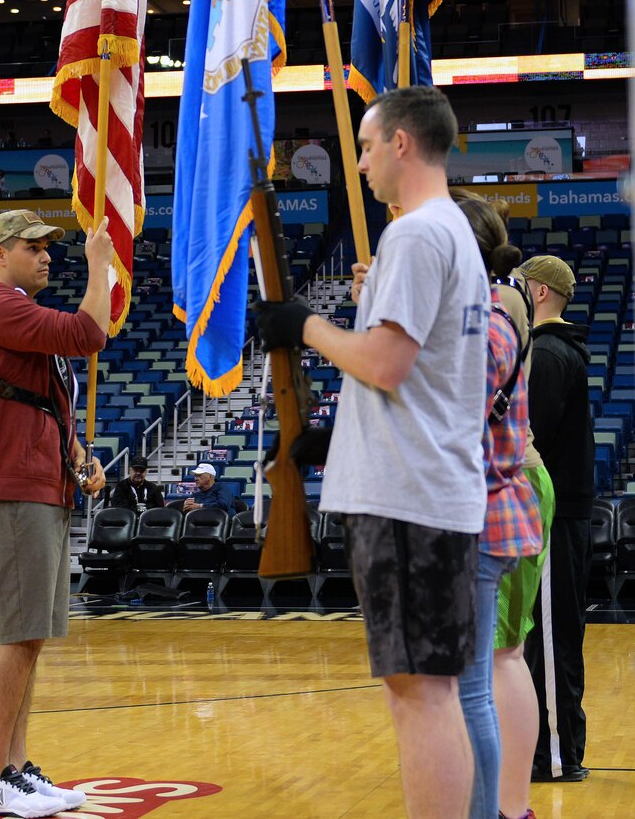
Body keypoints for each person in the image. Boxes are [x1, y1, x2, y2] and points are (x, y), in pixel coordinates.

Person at [255, 86, 487, 819]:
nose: (356, 163)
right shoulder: (448, 231)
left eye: (363, 145)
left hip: (408, 494)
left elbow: (386, 362)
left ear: (402, 143)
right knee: (427, 687)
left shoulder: (417, 234)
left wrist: (304, 326)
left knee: (419, 690)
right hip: (426, 488)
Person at [0, 208, 112, 818]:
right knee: (18, 636)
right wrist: (100, 266)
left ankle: (16, 771)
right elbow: (89, 332)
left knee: (31, 639)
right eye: (34, 246)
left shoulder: (15, 315)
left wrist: (78, 456)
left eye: (52, 248)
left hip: (41, 484)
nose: (48, 255)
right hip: (12, 489)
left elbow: (40, 404)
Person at [450, 190, 541, 819]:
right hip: (471, 516)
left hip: (475, 518)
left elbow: (449, 414)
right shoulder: (471, 313)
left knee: (472, 689)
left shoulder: (481, 319)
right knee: (468, 686)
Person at [513, 252, 593, 784]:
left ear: (539, 292)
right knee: (550, 632)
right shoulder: (557, 350)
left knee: (550, 635)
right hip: (563, 513)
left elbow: (528, 432)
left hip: (555, 512)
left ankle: (555, 754)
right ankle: (548, 748)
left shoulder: (546, 354)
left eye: (520, 285)